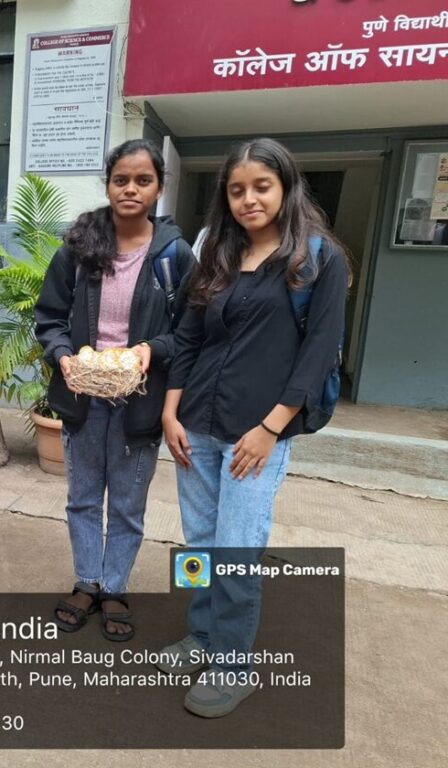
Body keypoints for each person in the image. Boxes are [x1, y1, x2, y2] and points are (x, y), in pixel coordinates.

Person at [158, 137, 349, 718]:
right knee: (199, 546)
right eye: (237, 190)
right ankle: (201, 636)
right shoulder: (218, 253)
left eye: (261, 187)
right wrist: (170, 411)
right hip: (196, 426)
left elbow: (318, 353)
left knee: (237, 549)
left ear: (286, 187)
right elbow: (190, 337)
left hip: (256, 436)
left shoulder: (318, 259)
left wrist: (271, 428)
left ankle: (233, 666)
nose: (249, 200)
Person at [35, 139, 195, 641]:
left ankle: (115, 587)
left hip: (139, 404)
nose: (130, 189)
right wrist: (63, 355)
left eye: (143, 180)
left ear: (159, 188)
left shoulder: (173, 256)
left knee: (127, 503)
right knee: (83, 498)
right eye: (120, 179)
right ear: (107, 185)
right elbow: (49, 317)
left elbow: (190, 331)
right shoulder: (79, 248)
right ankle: (87, 580)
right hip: (82, 399)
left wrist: (152, 349)